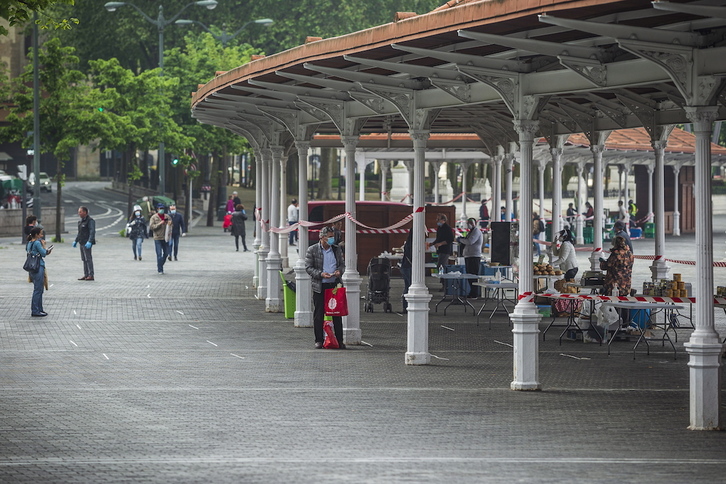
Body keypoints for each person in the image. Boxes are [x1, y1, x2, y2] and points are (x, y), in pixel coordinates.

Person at [305, 226, 345, 350]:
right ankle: (318, 340)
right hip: (320, 286)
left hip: (334, 285)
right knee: (319, 314)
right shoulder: (312, 250)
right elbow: (308, 267)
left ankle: (339, 340)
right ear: (322, 237)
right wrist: (320, 274)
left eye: (333, 236)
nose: (332, 239)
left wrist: (339, 271)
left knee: (337, 314)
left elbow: (342, 265)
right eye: (330, 237)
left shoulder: (337, 250)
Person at [26, 227, 52, 317]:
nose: (42, 235)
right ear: (36, 235)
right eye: (40, 234)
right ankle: (36, 310)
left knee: (38, 288)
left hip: (31, 268)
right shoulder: (37, 243)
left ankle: (39, 309)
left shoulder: (29, 243)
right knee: (38, 289)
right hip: (38, 267)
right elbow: (44, 253)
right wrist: (46, 248)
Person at [457, 217, 483, 298]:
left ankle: (475, 293)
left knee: (473, 275)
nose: (469, 224)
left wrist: (460, 240)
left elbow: (470, 241)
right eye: (468, 223)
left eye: (471, 223)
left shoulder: (476, 232)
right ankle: (472, 292)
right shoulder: (471, 232)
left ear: (474, 224)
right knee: (469, 275)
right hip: (469, 255)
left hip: (474, 256)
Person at [73, 206, 96, 281]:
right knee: (84, 259)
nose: (79, 213)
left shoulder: (90, 221)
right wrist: (76, 241)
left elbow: (92, 231)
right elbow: (80, 233)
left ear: (85, 212)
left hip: (87, 242)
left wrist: (90, 241)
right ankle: (86, 274)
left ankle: (91, 275)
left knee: (88, 258)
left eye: (80, 212)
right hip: (81, 242)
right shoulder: (80, 222)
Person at [149, 204, 171, 274]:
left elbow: (171, 226)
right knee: (159, 254)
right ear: (157, 209)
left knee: (166, 253)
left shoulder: (167, 216)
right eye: (160, 208)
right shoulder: (154, 217)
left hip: (165, 237)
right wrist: (160, 223)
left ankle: (160, 264)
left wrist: (169, 223)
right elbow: (151, 227)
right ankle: (160, 270)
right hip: (157, 237)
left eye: (163, 208)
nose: (162, 210)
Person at [399, 230, 413, 312]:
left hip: (405, 266)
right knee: (409, 287)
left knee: (407, 286)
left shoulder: (408, 243)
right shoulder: (412, 244)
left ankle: (405, 306)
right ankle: (406, 306)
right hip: (408, 266)